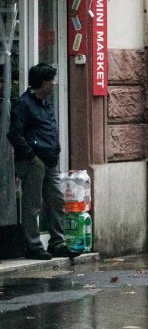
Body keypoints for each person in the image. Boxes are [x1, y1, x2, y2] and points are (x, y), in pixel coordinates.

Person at [7, 63, 78, 260]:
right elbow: (14, 134)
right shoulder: (24, 104)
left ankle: (58, 242)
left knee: (56, 201)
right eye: (52, 81)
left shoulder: (44, 104)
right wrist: (31, 156)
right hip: (33, 162)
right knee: (32, 203)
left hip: (50, 161)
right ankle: (33, 245)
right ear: (44, 83)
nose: (54, 85)